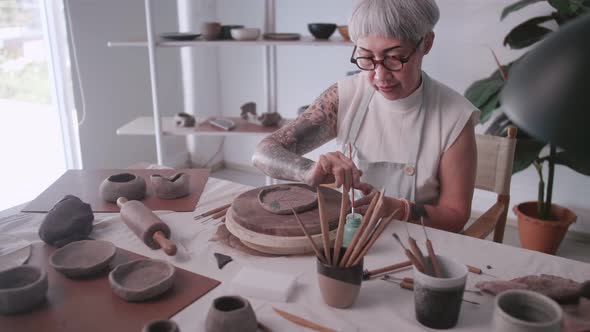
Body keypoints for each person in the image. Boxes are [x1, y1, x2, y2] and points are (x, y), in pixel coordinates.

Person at [252, 0, 479, 233]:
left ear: (427, 43)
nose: (380, 77)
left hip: (419, 242)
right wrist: (308, 170)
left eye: (395, 58)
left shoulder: (454, 116)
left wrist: (399, 209)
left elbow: (455, 216)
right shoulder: (346, 96)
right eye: (367, 58)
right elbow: (263, 153)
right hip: (349, 235)